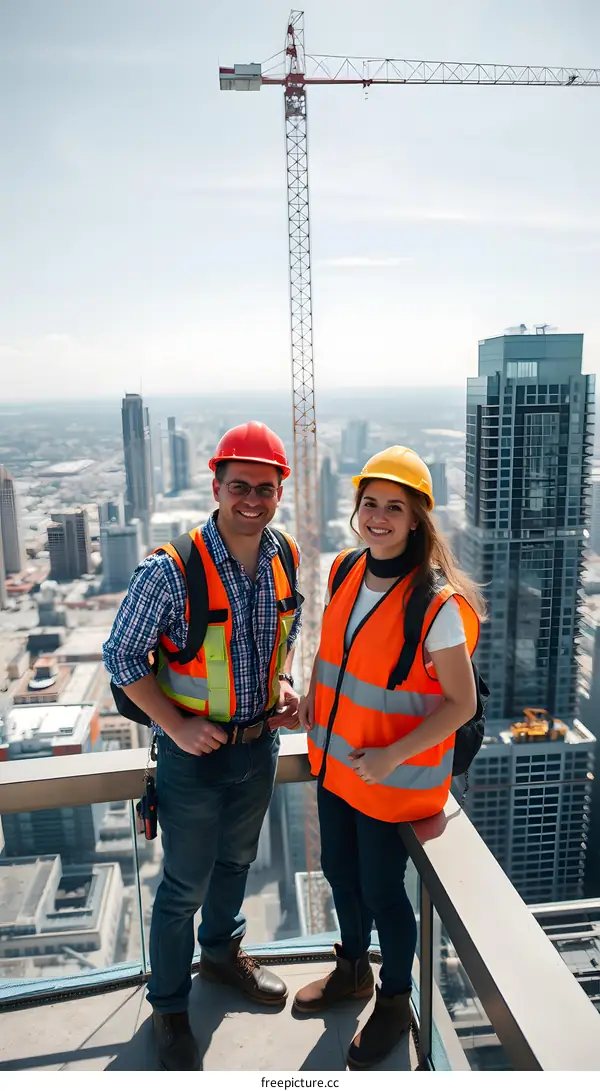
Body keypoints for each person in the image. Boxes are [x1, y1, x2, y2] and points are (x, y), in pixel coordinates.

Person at [102, 422, 302, 1071]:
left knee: (236, 865)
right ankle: (170, 1008)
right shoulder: (172, 569)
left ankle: (220, 955)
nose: (251, 498)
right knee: (182, 886)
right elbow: (121, 654)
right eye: (239, 485)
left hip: (257, 748)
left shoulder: (285, 556)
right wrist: (176, 724)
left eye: (264, 487)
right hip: (192, 759)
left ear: (280, 492)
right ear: (216, 486)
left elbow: (279, 641)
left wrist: (287, 685)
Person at [293, 446, 484, 1070]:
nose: (378, 517)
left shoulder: (438, 605)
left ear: (416, 519)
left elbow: (460, 704)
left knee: (382, 891)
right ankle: (351, 971)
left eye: (393, 507)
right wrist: (308, 711)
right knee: (341, 876)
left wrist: (391, 756)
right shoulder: (347, 570)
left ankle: (396, 1001)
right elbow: (344, 666)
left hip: (390, 779)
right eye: (370, 504)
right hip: (335, 764)